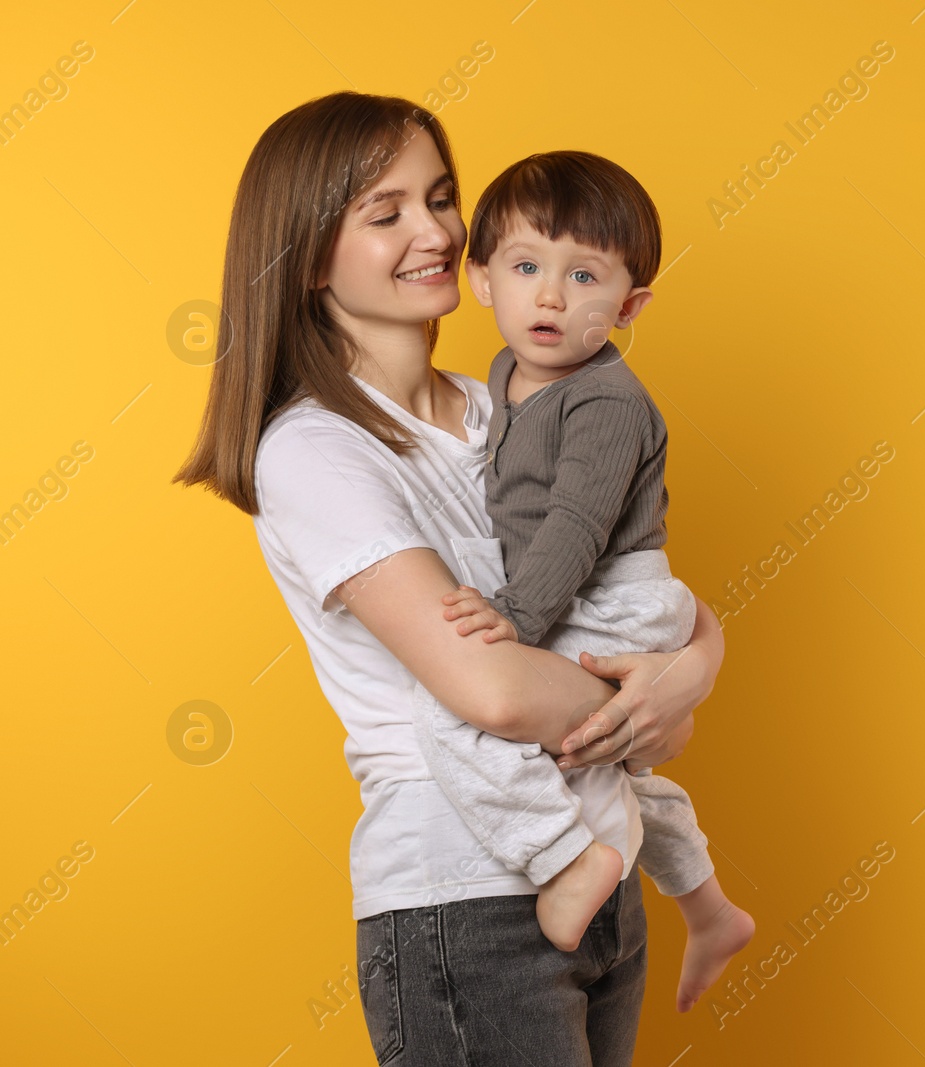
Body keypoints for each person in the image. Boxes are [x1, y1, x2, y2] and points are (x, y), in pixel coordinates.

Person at [172, 91, 724, 1066]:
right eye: (384, 214)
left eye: (440, 197)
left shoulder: (512, 402)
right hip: (464, 902)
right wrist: (653, 693)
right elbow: (494, 690)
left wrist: (686, 671)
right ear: (307, 256)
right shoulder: (313, 451)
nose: (433, 231)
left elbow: (652, 591)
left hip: (607, 873)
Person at [409, 148, 753, 1014]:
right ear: (481, 278)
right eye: (527, 268)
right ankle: (710, 908)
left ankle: (568, 860)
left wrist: (515, 617)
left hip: (611, 595)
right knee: (619, 775)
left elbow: (575, 526)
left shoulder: (605, 403)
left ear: (630, 306)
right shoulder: (504, 375)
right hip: (582, 592)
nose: (552, 298)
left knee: (457, 710)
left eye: (585, 276)